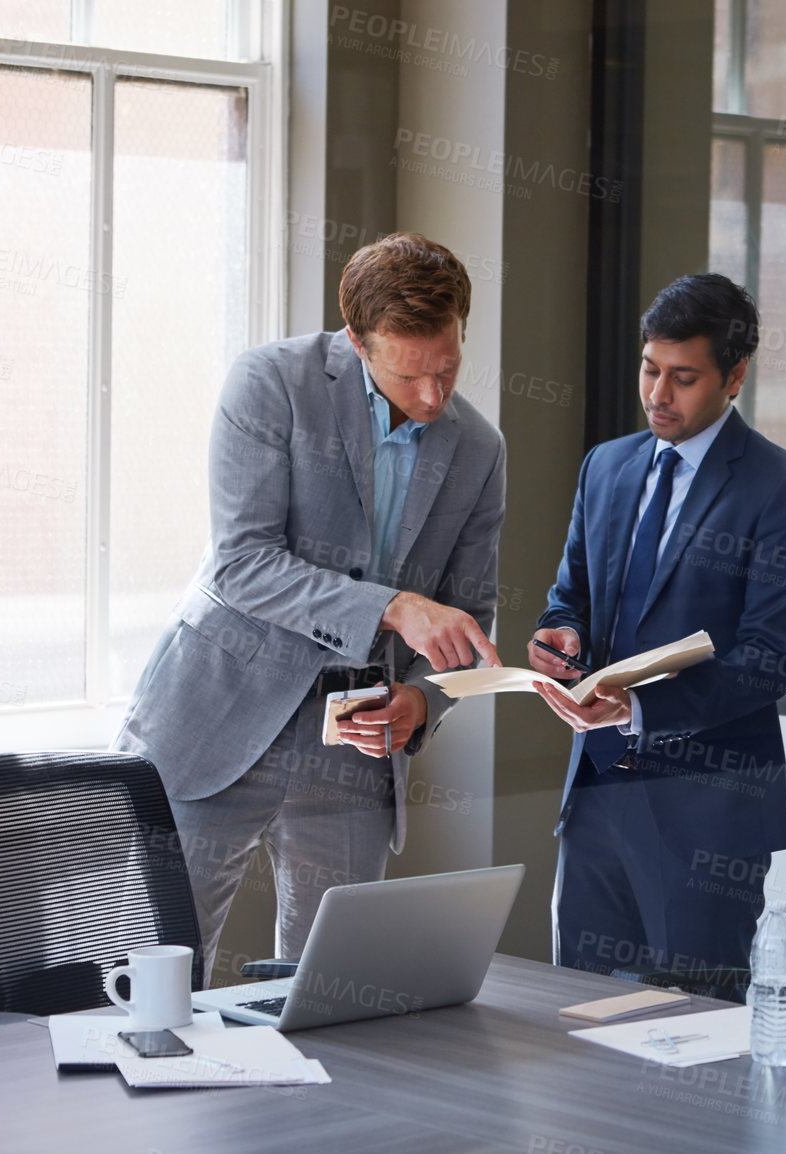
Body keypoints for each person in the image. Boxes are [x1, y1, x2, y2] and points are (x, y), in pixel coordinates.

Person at [115, 232, 506, 974]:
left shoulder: (480, 450)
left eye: (447, 370)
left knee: (335, 995)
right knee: (155, 980)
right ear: (357, 341)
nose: (432, 398)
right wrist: (393, 607)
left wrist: (422, 702)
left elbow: (469, 615)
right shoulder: (269, 384)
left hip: (354, 754)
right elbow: (243, 564)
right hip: (217, 720)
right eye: (410, 375)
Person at [530, 273, 786, 986]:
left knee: (699, 1040)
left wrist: (643, 706)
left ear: (735, 376)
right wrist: (560, 635)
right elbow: (570, 595)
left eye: (684, 378)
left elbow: (768, 660)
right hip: (597, 792)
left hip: (709, 816)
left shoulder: (784, 491)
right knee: (581, 1016)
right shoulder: (607, 466)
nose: (658, 395)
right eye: (649, 369)